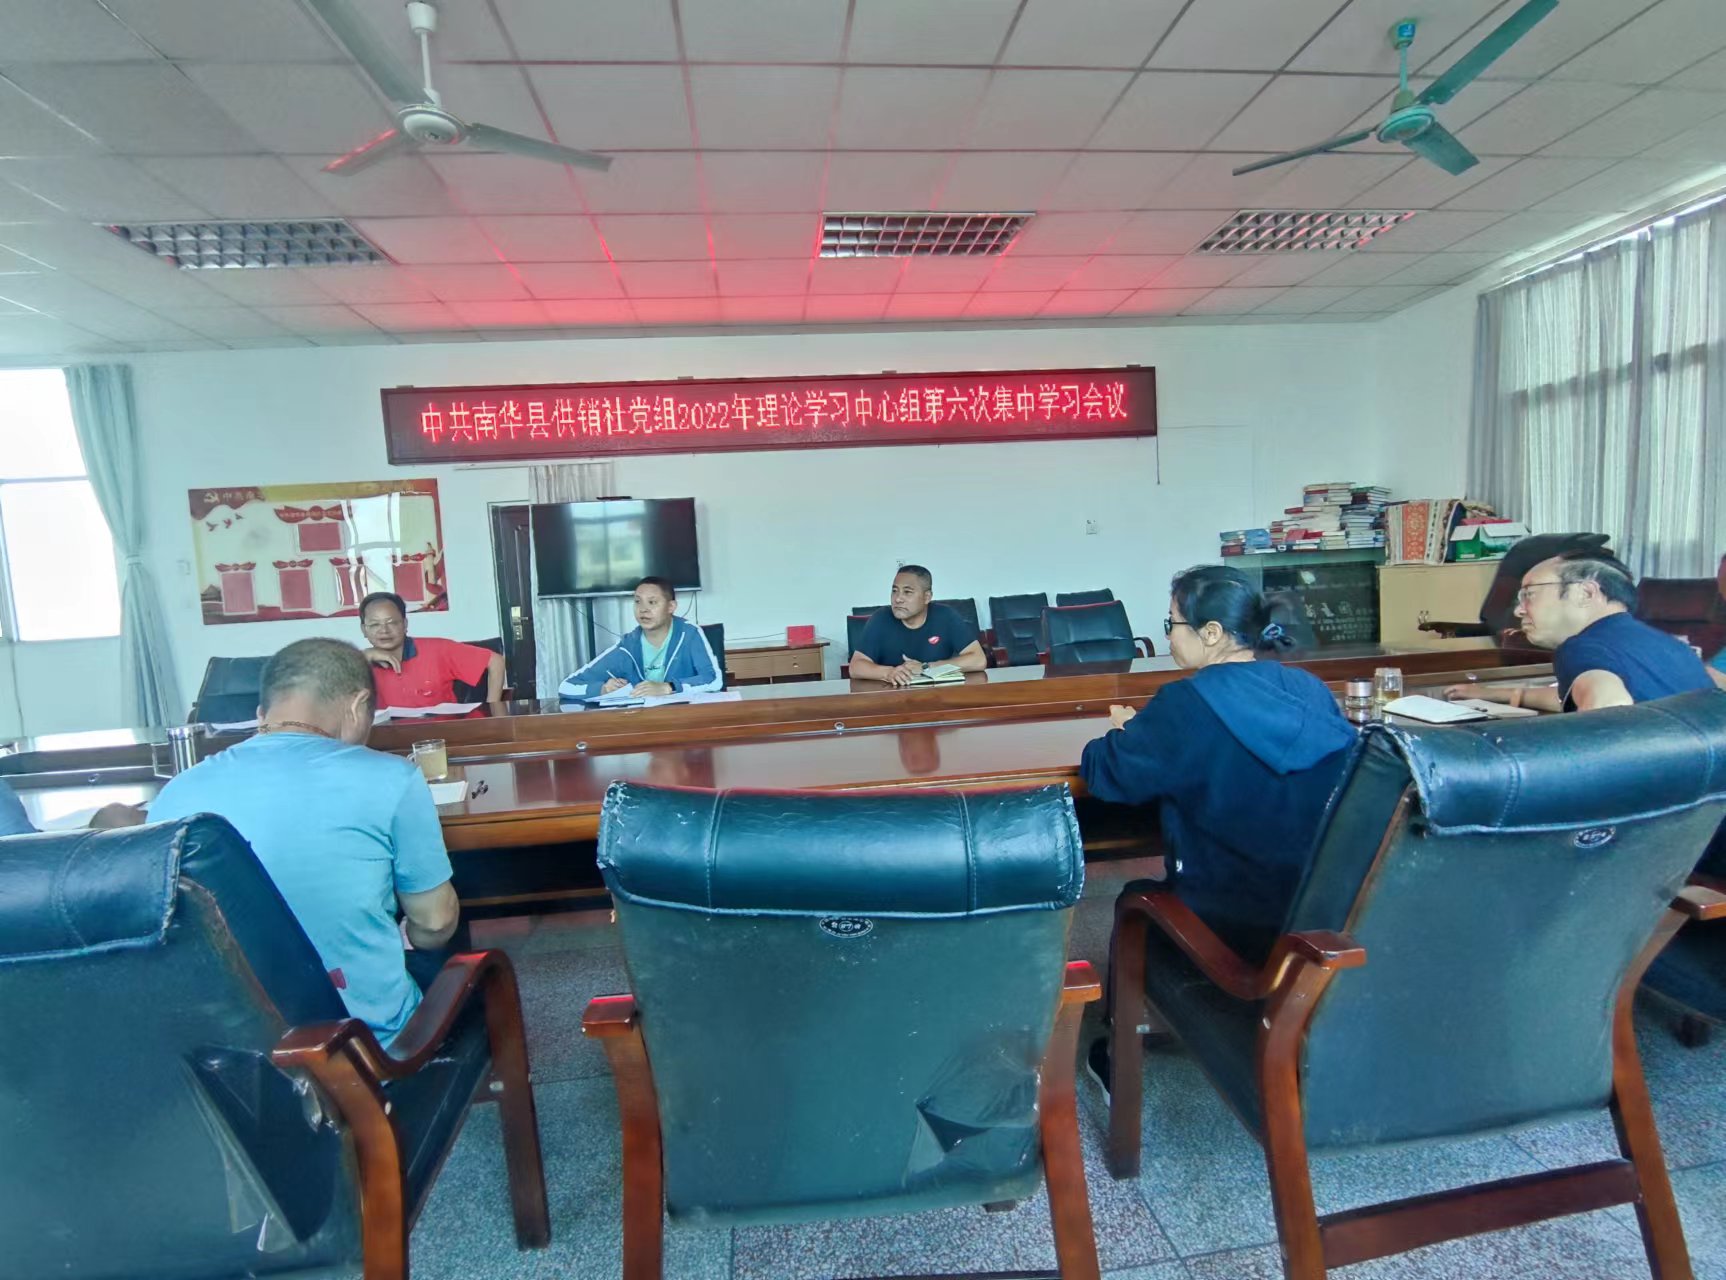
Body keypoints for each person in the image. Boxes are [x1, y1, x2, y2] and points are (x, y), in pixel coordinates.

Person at [149, 638, 459, 1049]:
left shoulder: (177, 792)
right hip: (362, 1049)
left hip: (233, 1058)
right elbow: (435, 924)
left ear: (261, 714)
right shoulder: (392, 778)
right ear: (358, 706)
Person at [1080, 565, 1358, 959]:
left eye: (1172, 623)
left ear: (1211, 632)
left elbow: (1104, 771)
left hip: (1226, 929)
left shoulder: (1186, 703)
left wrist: (1134, 729)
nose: (1168, 635)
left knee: (1135, 894)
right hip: (1320, 922)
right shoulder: (1310, 689)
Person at [1446, 551, 1713, 712]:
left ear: (1586, 592)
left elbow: (1609, 706)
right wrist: (1495, 694)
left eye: (1529, 594)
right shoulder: (1668, 646)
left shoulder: (1582, 646)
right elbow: (1577, 692)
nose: (1518, 610)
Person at [558, 576, 722, 699]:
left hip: (685, 721)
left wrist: (669, 687)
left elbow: (714, 680)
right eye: (638, 602)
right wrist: (603, 689)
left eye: (652, 602)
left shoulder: (689, 634)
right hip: (642, 723)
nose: (643, 609)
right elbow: (566, 686)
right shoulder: (627, 646)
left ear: (671, 607)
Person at [359, 591, 505, 710]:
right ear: (364, 630)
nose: (384, 630)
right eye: (375, 624)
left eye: (391, 622)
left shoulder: (438, 650)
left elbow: (495, 661)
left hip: (441, 732)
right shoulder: (358, 663)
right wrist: (361, 658)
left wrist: (492, 710)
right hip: (386, 735)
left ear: (404, 624)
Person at [849, 565, 988, 686]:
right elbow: (856, 666)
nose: (898, 599)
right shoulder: (881, 618)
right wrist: (889, 673)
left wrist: (927, 667)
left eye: (907, 592)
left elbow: (978, 660)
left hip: (938, 696)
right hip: (892, 695)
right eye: (894, 591)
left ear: (927, 597)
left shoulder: (946, 616)